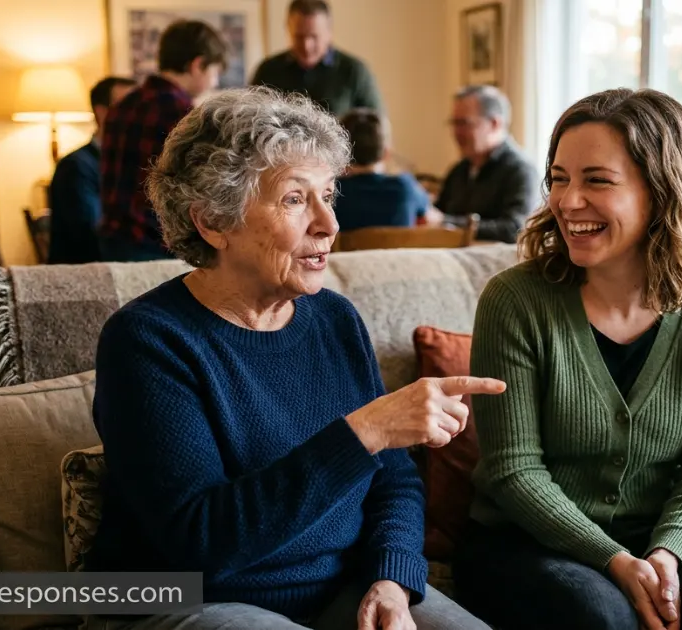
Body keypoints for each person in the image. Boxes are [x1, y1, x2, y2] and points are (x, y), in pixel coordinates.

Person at [85, 86, 502, 630]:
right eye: (294, 199)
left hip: (338, 587)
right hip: (190, 599)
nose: (328, 224)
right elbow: (200, 543)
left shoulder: (334, 319)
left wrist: (391, 579)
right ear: (213, 221)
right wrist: (364, 432)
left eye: (329, 194)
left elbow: (393, 480)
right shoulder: (147, 342)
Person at [452, 88, 682, 630]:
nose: (567, 201)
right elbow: (513, 471)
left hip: (665, 533)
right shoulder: (515, 300)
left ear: (663, 189)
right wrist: (614, 561)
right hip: (525, 540)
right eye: (559, 178)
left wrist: (667, 554)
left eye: (596, 180)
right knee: (604, 618)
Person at [98, 20, 227, 262]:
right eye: (215, 72)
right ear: (197, 64)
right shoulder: (184, 115)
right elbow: (199, 187)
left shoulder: (122, 105)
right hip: (156, 245)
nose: (216, 83)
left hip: (113, 241)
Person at [48, 76, 137, 265]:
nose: (137, 116)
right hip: (84, 276)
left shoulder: (132, 165)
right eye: (129, 108)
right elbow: (92, 236)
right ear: (102, 113)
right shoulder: (76, 166)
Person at [436, 85, 539, 244]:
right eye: (454, 123)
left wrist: (448, 223)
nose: (456, 132)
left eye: (464, 123)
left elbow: (516, 228)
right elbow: (437, 215)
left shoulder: (520, 170)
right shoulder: (459, 171)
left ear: (494, 124)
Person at [250, 0, 383, 117]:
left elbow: (378, 132)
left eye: (314, 36)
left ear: (329, 32)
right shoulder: (268, 70)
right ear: (288, 30)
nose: (307, 45)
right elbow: (248, 123)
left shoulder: (355, 72)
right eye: (299, 37)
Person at [334, 108, 441, 232]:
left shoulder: (332, 192)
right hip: (398, 252)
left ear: (340, 152)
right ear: (387, 153)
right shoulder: (405, 187)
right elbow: (434, 218)